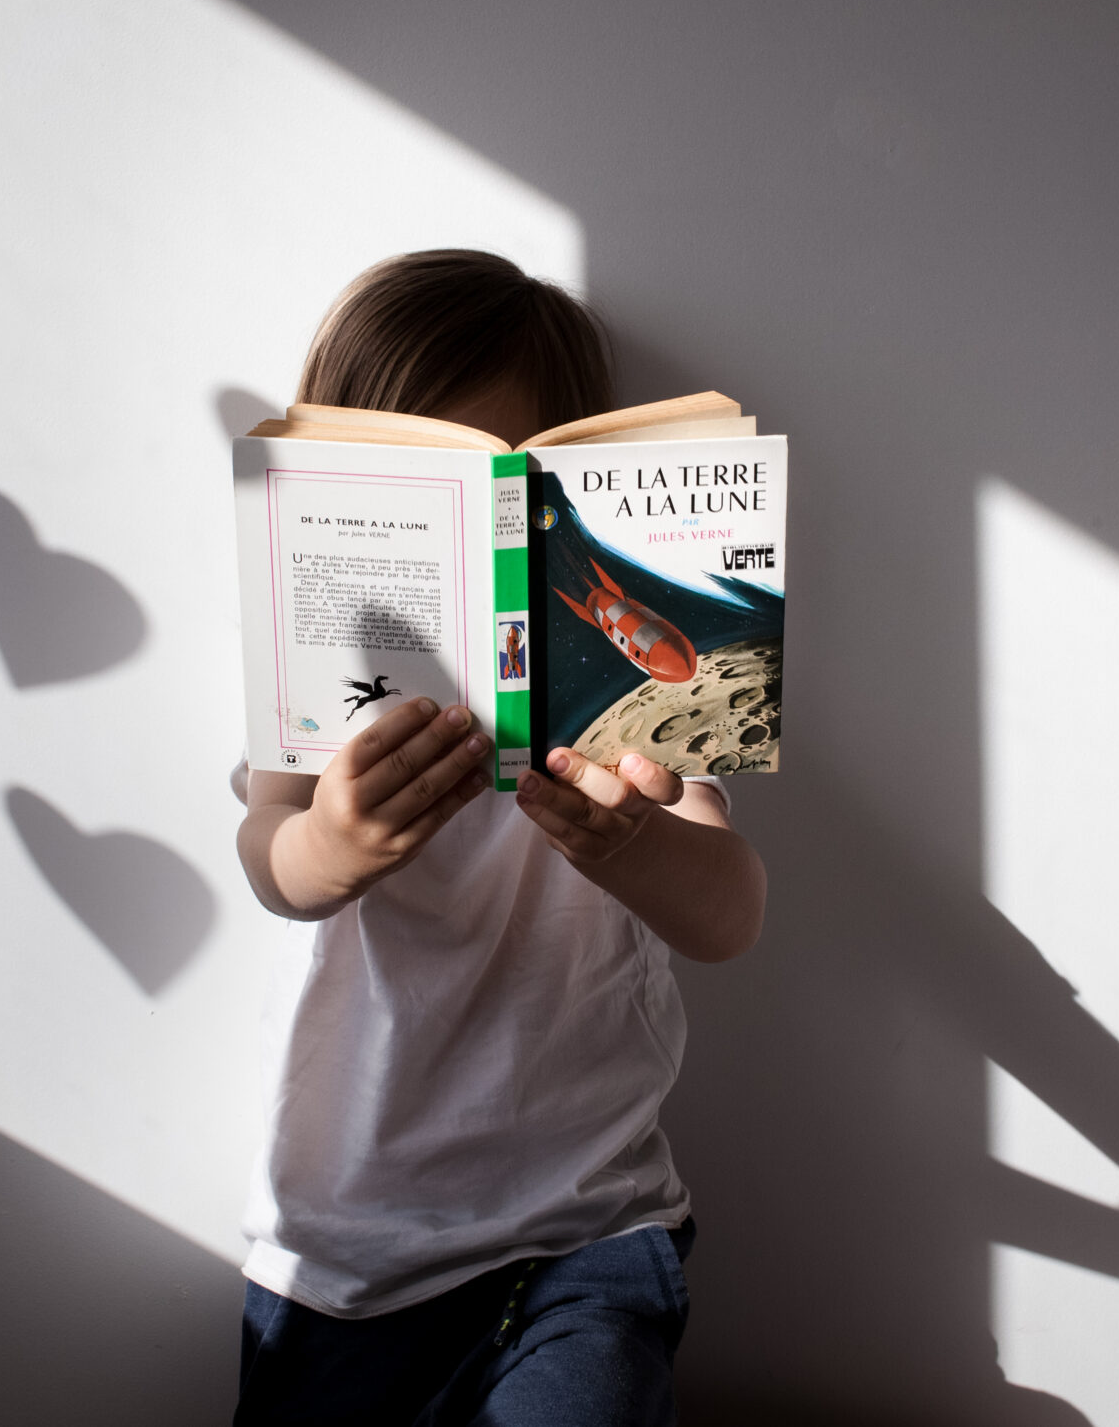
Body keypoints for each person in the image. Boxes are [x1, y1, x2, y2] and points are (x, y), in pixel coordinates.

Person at [232, 250, 768, 1426]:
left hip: (585, 1229)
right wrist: (336, 842)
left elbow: (729, 910)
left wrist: (634, 847)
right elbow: (271, 856)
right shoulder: (315, 684)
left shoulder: (636, 716)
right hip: (344, 1246)